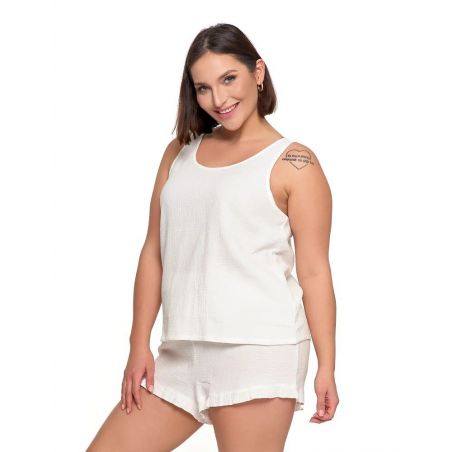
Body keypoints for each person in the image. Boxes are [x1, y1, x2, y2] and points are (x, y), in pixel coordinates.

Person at [86, 22, 339, 452]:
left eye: (229, 79)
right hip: (179, 351)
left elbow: (314, 271)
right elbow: (154, 251)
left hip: (257, 351)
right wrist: (137, 344)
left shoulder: (294, 163)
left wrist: (326, 366)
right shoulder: (180, 152)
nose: (218, 100)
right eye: (203, 88)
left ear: (258, 72)